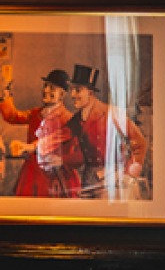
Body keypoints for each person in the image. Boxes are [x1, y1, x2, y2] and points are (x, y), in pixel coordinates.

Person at [65, 63, 148, 199]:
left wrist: (128, 173)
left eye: (78, 90)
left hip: (113, 178)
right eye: (72, 90)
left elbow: (139, 143)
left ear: (90, 93)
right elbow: (69, 146)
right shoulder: (75, 120)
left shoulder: (111, 113)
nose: (72, 95)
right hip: (88, 179)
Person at [0, 64, 82, 198]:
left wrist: (28, 147)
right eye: (45, 86)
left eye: (52, 88)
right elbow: (12, 116)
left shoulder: (68, 119)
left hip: (54, 176)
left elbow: (52, 141)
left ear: (62, 94)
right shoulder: (36, 113)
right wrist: (5, 90)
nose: (46, 90)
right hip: (31, 172)